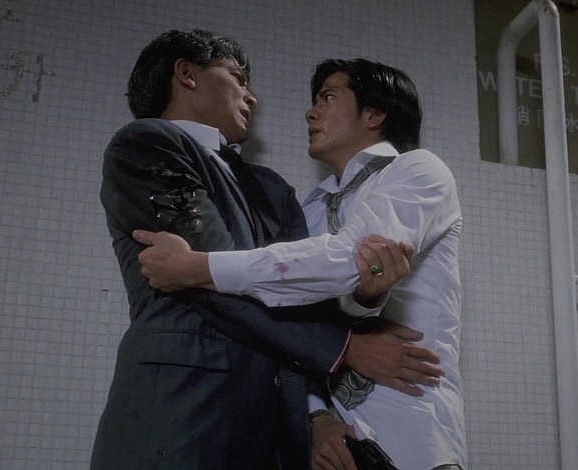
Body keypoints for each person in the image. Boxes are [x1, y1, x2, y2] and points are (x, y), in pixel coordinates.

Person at [93, 30, 443, 469]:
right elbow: (206, 287)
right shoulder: (147, 143)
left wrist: (315, 416)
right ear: (187, 74)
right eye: (237, 78)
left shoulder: (272, 188)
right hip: (178, 406)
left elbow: (293, 295)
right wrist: (346, 348)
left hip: (272, 427)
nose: (252, 97)